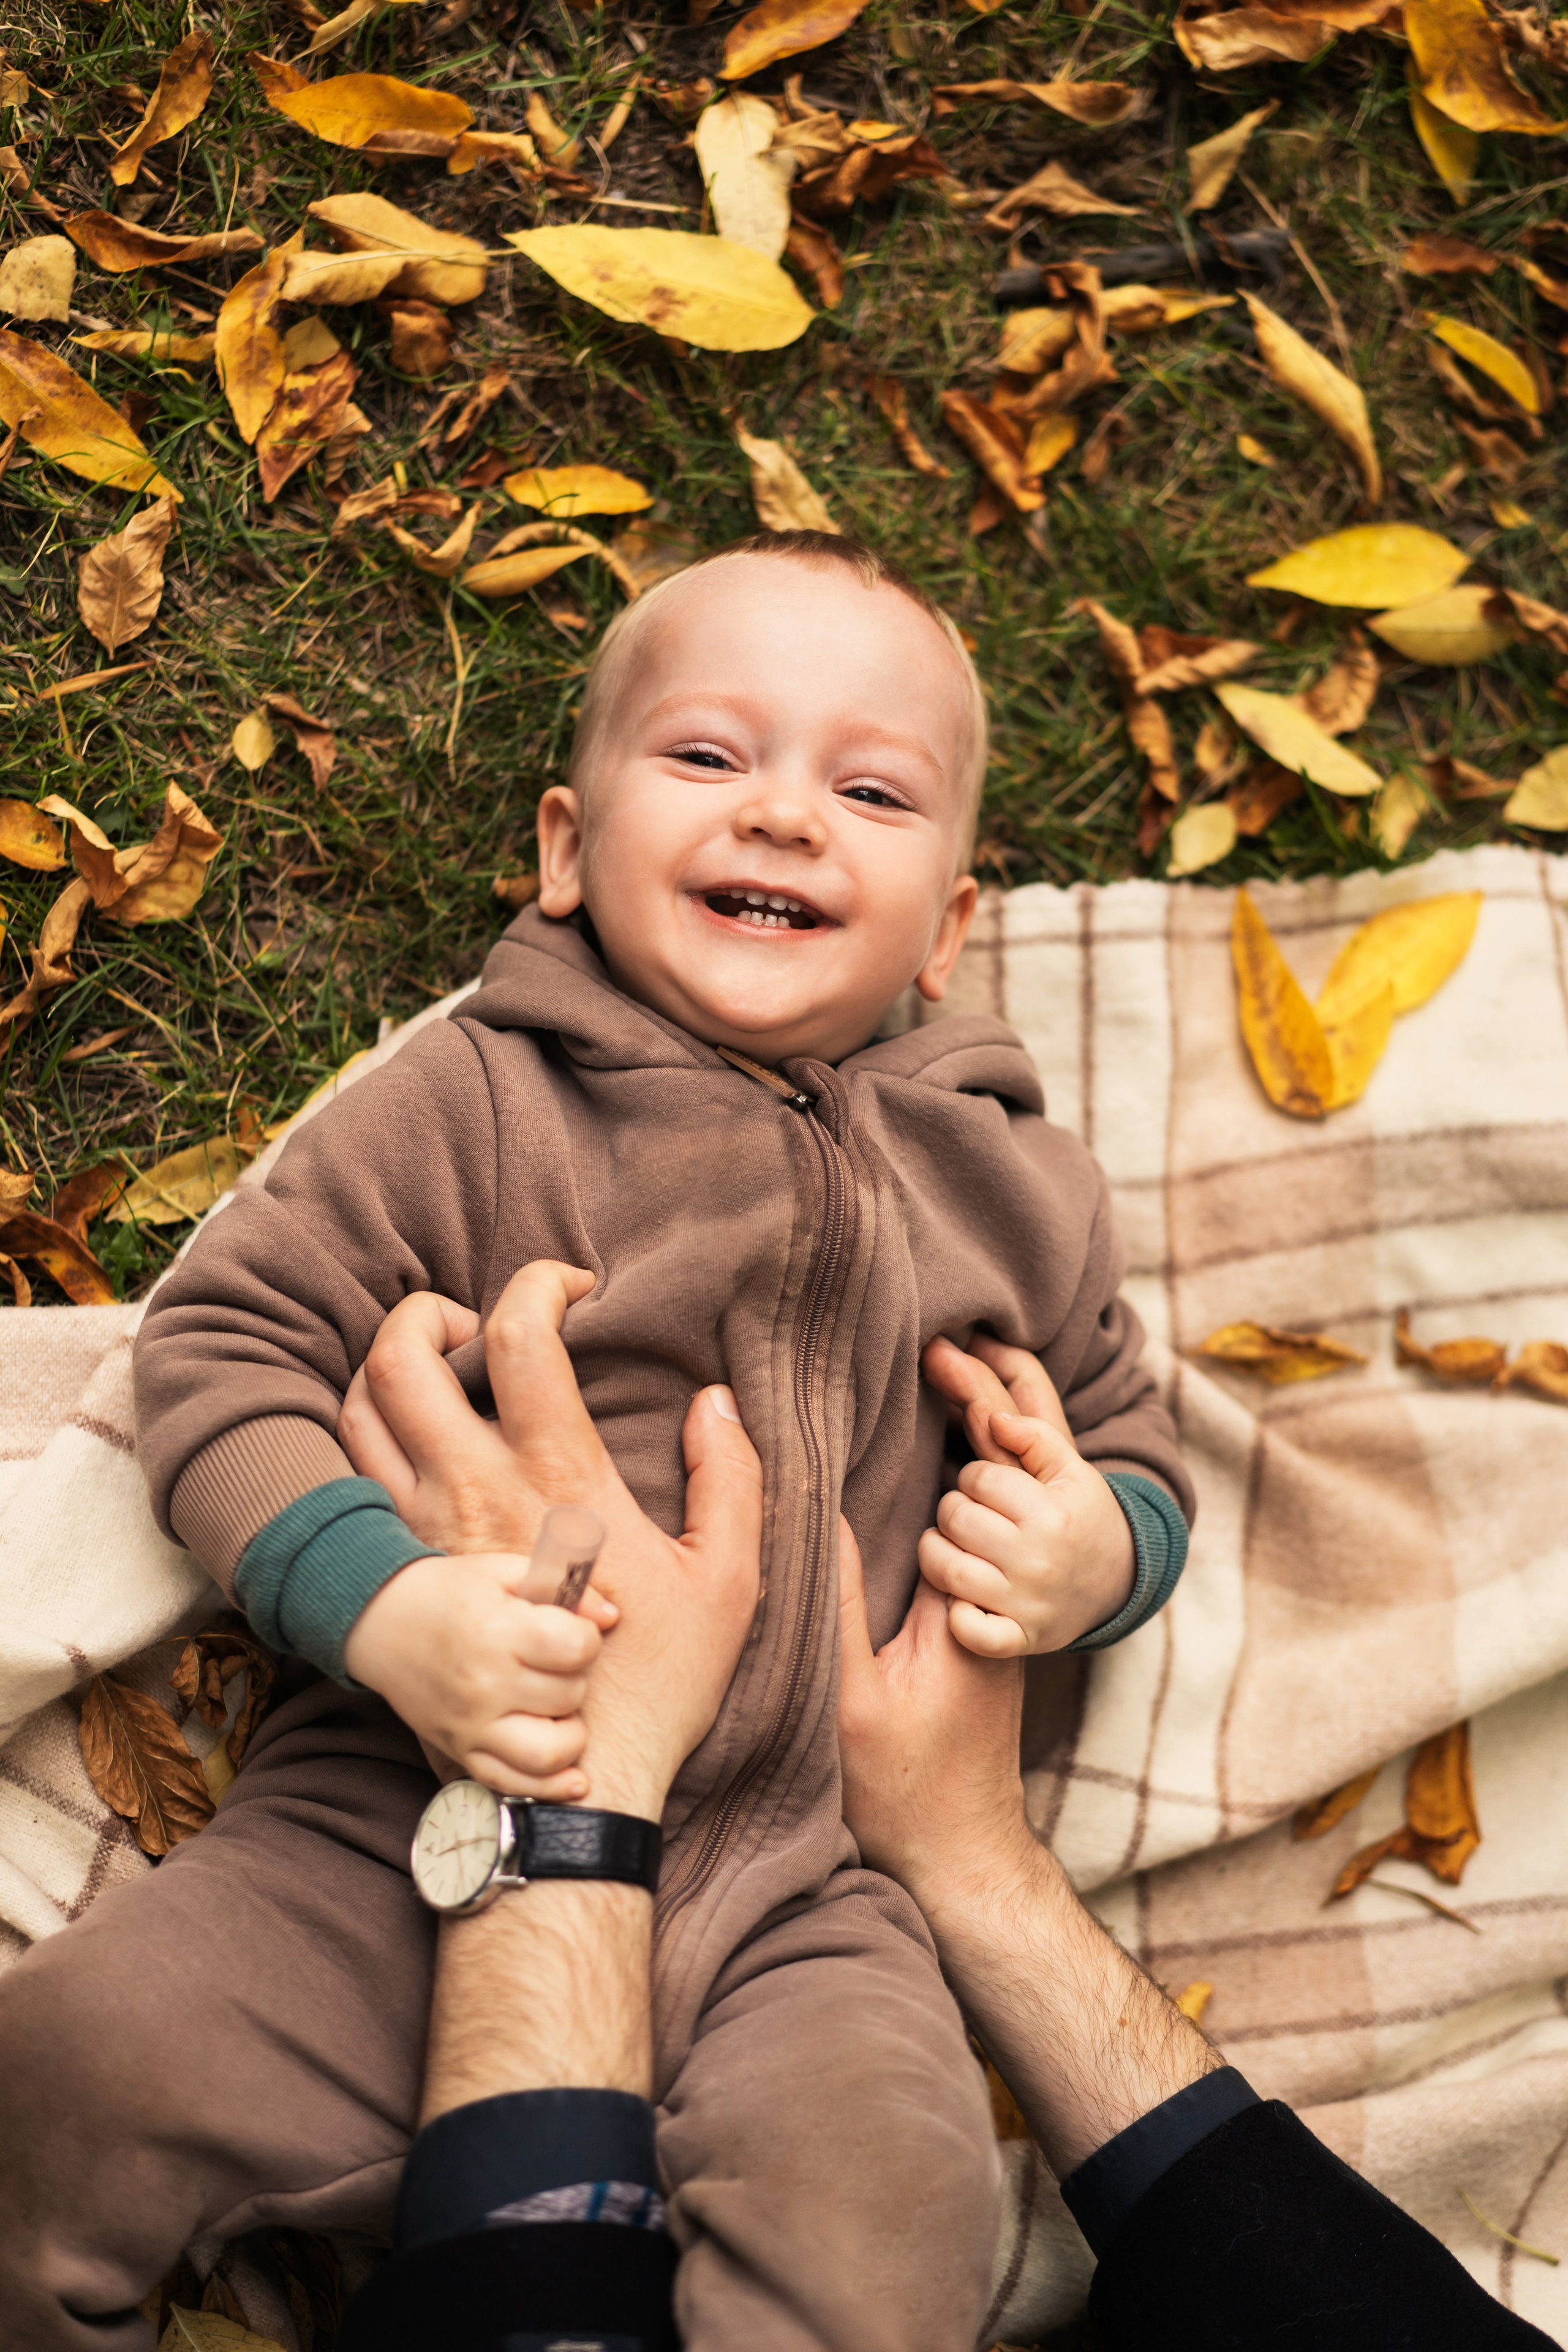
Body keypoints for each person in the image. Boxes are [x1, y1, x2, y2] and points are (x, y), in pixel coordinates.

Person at [103, 530, 1191, 2346]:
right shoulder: (474, 1100)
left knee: (904, 2216)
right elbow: (222, 1345)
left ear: (947, 932)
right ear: (564, 848)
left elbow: (1128, 1440)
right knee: (75, 2070)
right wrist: (385, 1608)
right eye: (705, 755)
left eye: (868, 790)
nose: (783, 813)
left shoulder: (1018, 1186)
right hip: (402, 1822)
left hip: (812, 1897)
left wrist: (1098, 1550)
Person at [336, 1292, 1556, 2352]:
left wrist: (1106, 1554)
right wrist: (973, 1855)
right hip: (857, 1842)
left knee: (905, 2188)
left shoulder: (999, 1170)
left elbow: (1114, 1418)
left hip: (778, 1895)